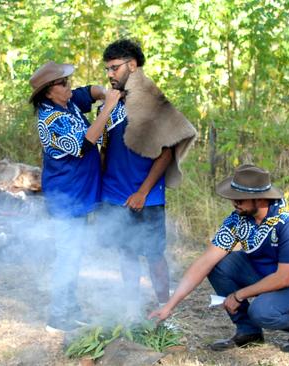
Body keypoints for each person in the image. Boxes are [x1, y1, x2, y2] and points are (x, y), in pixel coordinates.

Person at [149, 164, 289, 352]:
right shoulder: (238, 218)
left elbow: (284, 278)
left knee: (261, 312)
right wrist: (170, 305)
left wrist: (239, 295)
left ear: (260, 198)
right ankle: (248, 332)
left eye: (240, 199)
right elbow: (205, 261)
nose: (234, 203)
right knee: (218, 264)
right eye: (233, 197)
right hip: (266, 275)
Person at [100, 39, 197, 319]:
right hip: (115, 192)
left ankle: (165, 312)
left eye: (115, 68)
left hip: (148, 195)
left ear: (132, 65)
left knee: (154, 256)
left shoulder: (153, 102)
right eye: (107, 69)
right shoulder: (110, 103)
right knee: (126, 253)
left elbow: (166, 152)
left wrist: (143, 192)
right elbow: (105, 148)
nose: (110, 74)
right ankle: (130, 311)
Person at [29, 61, 122, 332]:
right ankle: (57, 316)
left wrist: (105, 93)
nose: (70, 87)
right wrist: (108, 108)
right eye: (64, 83)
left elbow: (89, 92)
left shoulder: (66, 103)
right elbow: (83, 143)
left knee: (74, 254)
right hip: (65, 198)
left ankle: (70, 308)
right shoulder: (50, 121)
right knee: (68, 256)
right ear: (48, 91)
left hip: (78, 196)